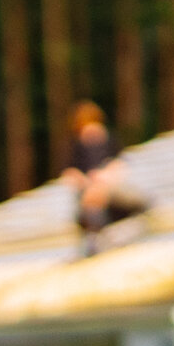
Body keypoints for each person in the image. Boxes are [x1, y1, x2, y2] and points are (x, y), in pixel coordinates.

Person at [65, 102, 152, 252]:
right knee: (92, 197)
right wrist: (87, 182)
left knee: (97, 193)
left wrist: (104, 178)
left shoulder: (110, 141)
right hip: (91, 193)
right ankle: (97, 238)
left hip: (112, 191)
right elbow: (71, 174)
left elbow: (119, 165)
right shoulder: (77, 147)